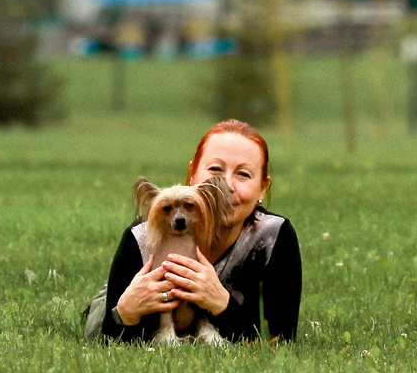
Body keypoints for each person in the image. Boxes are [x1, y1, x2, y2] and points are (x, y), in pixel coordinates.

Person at [93, 119, 301, 343]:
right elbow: (109, 339)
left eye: (243, 174)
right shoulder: (143, 236)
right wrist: (126, 312)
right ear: (192, 174)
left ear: (263, 187)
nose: (226, 184)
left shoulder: (273, 237)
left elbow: (282, 336)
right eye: (215, 169)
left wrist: (221, 303)